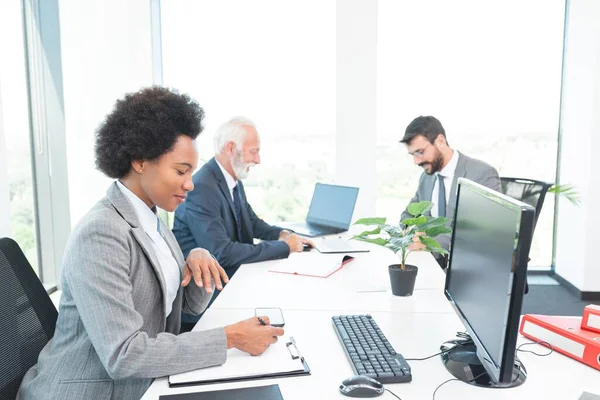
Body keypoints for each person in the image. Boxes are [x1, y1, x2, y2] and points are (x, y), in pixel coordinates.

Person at [17, 87, 284, 400]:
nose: (190, 183)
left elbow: (184, 308)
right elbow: (124, 355)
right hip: (90, 391)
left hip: (146, 382)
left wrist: (198, 261)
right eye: (181, 171)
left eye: (192, 171)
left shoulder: (152, 219)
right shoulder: (101, 233)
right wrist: (231, 337)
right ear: (140, 161)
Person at [173, 117, 313, 325]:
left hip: (233, 282)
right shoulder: (203, 186)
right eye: (254, 151)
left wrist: (281, 234)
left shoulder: (230, 179)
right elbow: (223, 252)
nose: (258, 160)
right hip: (205, 303)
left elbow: (252, 221)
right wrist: (284, 247)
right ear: (231, 148)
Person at [400, 116, 501, 265]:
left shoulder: (481, 174)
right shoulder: (427, 178)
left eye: (420, 152)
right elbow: (408, 215)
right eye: (413, 155)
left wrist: (429, 242)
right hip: (431, 263)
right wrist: (412, 234)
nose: (417, 161)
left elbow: (481, 233)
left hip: (467, 267)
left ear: (440, 141)